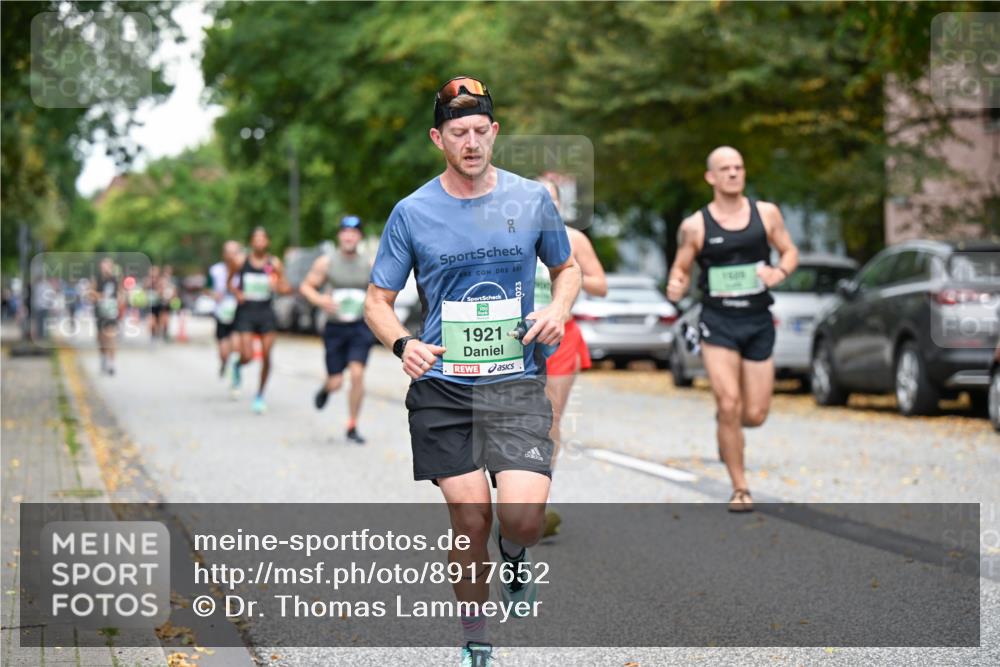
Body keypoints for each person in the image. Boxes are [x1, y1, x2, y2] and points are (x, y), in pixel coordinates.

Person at [365, 76, 581, 667]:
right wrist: (402, 343)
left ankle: (515, 553)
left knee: (521, 519)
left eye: (480, 131)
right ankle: (475, 639)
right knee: (469, 514)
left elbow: (566, 269)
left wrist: (559, 309)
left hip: (514, 381)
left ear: (495, 133)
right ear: (439, 138)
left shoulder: (531, 199)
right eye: (458, 132)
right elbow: (376, 301)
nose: (471, 142)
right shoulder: (411, 212)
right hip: (443, 386)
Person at [667, 146, 798, 512]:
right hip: (718, 320)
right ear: (711, 177)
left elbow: (790, 251)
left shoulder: (766, 213)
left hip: (757, 320)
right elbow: (681, 268)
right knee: (729, 401)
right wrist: (676, 284)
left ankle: (728, 427)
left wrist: (779, 272)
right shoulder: (695, 225)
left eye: (739, 167)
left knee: (754, 414)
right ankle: (740, 488)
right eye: (725, 168)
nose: (733, 174)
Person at [535, 177, 607, 538]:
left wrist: (570, 271)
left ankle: (537, 505)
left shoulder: (573, 239)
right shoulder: (510, 237)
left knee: (548, 420)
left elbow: (600, 284)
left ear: (560, 205)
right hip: (512, 338)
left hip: (561, 336)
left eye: (551, 200)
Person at [299, 215, 375, 444]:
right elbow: (306, 286)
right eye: (345, 232)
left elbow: (381, 292)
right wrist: (320, 300)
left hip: (360, 327)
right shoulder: (326, 262)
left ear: (359, 237)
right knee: (336, 382)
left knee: (357, 373)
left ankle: (352, 425)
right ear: (340, 236)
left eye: (354, 232)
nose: (349, 236)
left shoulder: (369, 264)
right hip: (335, 328)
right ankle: (326, 388)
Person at [229, 227, 290, 414]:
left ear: (268, 242)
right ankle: (238, 365)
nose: (259, 242)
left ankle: (260, 395)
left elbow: (286, 288)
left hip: (266, 311)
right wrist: (237, 293)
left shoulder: (274, 263)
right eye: (256, 238)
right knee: (247, 355)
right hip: (246, 311)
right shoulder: (241, 261)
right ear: (251, 242)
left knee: (266, 355)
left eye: (263, 238)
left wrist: (276, 285)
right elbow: (229, 282)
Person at [208, 241, 244, 378]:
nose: (231, 255)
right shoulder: (215, 270)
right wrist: (213, 294)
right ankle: (224, 363)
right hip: (221, 313)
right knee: (224, 353)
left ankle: (235, 374)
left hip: (238, 313)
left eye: (235, 252)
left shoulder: (243, 270)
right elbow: (207, 288)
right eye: (229, 252)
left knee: (236, 348)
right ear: (224, 254)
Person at [91, 257, 123, 376]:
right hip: (99, 312)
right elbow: (90, 294)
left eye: (109, 266)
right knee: (100, 339)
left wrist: (120, 300)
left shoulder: (115, 279)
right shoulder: (96, 279)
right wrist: (99, 296)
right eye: (104, 265)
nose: (106, 268)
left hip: (111, 312)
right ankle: (103, 358)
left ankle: (111, 363)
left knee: (111, 337)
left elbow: (121, 293)